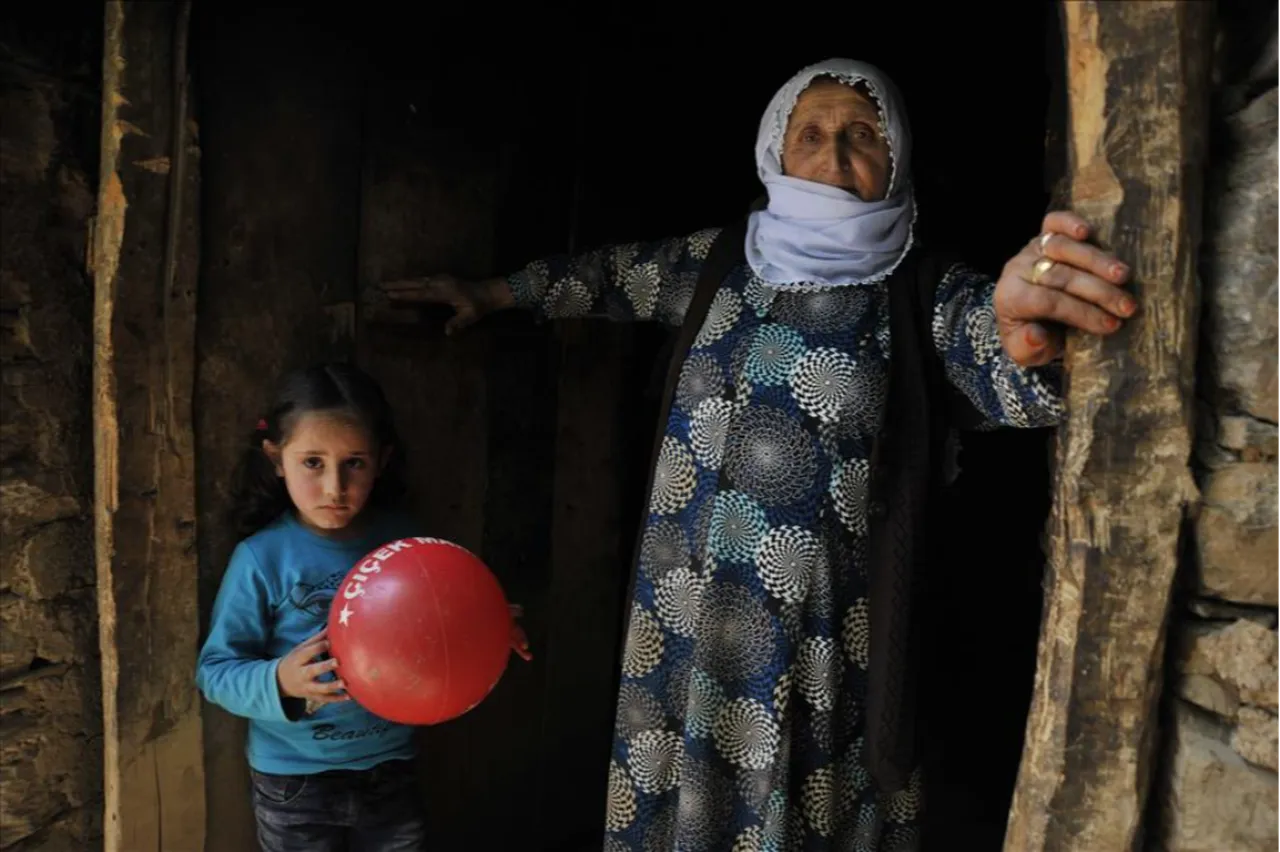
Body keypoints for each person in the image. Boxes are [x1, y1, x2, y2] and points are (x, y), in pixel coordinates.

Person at [380, 58, 1134, 851]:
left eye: (863, 136)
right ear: (775, 151)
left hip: (821, 642)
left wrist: (1026, 337)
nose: (834, 157)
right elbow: (608, 278)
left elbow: (1004, 363)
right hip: (681, 616)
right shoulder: (720, 263)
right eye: (810, 135)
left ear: (898, 157)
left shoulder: (926, 292)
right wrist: (494, 293)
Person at [196, 362, 529, 851]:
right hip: (294, 779)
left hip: (390, 767)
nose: (335, 487)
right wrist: (280, 680)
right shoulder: (262, 559)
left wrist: (489, 628)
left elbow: (440, 622)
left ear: (382, 461)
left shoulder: (407, 545)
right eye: (313, 462)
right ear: (276, 459)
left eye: (354, 462)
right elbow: (215, 672)